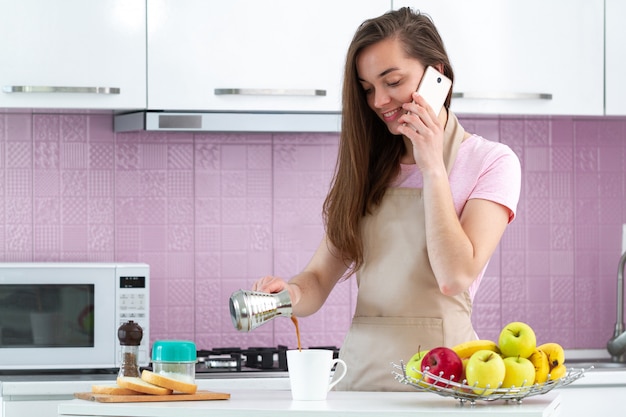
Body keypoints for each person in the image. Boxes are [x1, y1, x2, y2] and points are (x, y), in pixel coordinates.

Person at [252, 7, 521, 391]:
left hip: (445, 381)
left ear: (437, 75)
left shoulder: (491, 162)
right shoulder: (368, 167)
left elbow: (455, 276)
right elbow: (317, 280)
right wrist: (286, 296)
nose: (379, 101)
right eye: (367, 89)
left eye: (392, 81)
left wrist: (432, 166)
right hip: (359, 383)